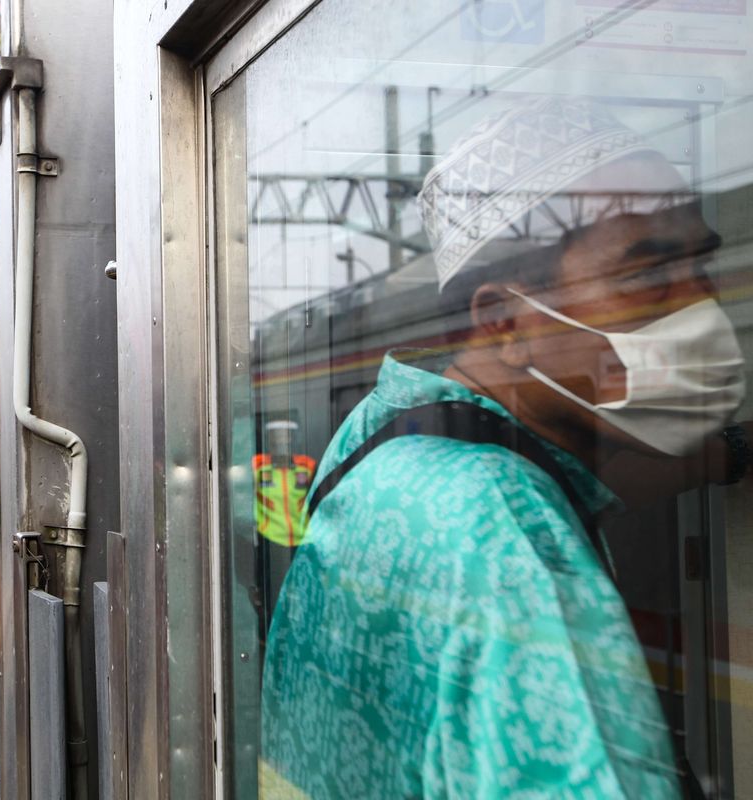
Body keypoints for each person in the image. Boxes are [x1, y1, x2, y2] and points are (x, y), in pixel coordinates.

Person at [260, 97, 750, 798]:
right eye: (644, 276)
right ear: (504, 320)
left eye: (702, 267)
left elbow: (594, 480)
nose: (699, 304)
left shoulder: (389, 435)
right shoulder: (507, 534)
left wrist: (730, 453)